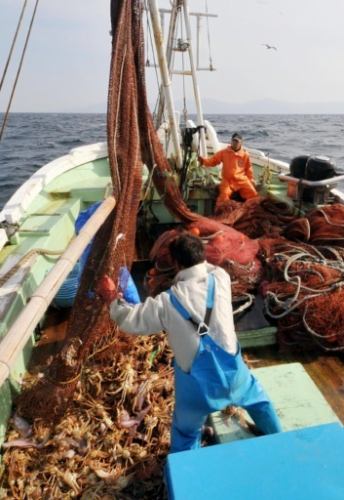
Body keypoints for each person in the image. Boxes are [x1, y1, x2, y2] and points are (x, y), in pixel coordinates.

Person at [97, 234, 282, 453]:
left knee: (186, 432)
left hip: (198, 391)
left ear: (175, 263)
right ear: (202, 255)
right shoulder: (220, 277)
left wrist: (112, 299)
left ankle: (187, 472)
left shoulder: (167, 302)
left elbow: (132, 320)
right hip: (235, 375)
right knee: (259, 401)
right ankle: (280, 438)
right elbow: (206, 270)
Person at [198, 132, 257, 210]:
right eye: (234, 141)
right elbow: (213, 161)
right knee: (224, 196)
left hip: (241, 180)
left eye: (237, 141)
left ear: (241, 143)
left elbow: (248, 168)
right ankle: (220, 212)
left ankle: (252, 211)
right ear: (231, 141)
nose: (235, 143)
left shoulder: (245, 155)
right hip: (227, 181)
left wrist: (250, 179)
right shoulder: (224, 152)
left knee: (253, 194)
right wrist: (203, 161)